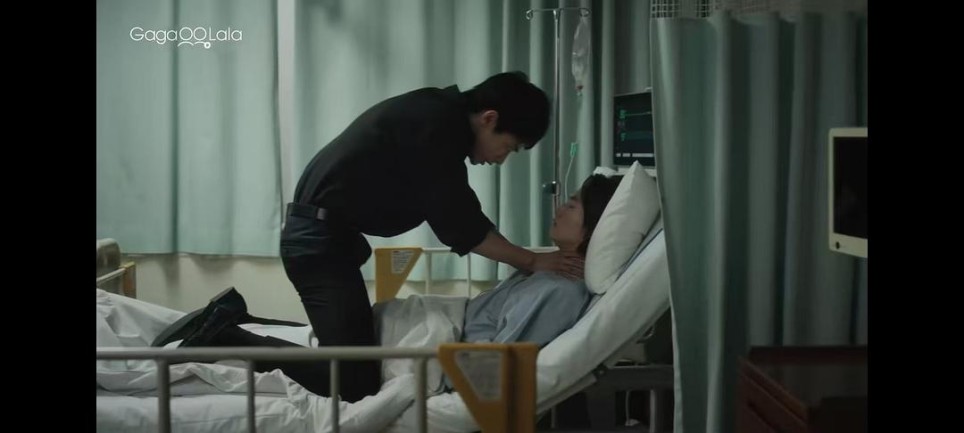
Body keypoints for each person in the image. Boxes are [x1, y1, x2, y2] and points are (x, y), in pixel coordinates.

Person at [152, 174, 623, 402]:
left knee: (344, 367)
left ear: (594, 227)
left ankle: (236, 325)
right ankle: (233, 330)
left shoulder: (561, 290)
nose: (561, 207)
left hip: (439, 332)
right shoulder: (549, 272)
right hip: (434, 328)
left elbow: (497, 363)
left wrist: (449, 392)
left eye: (574, 204)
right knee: (348, 374)